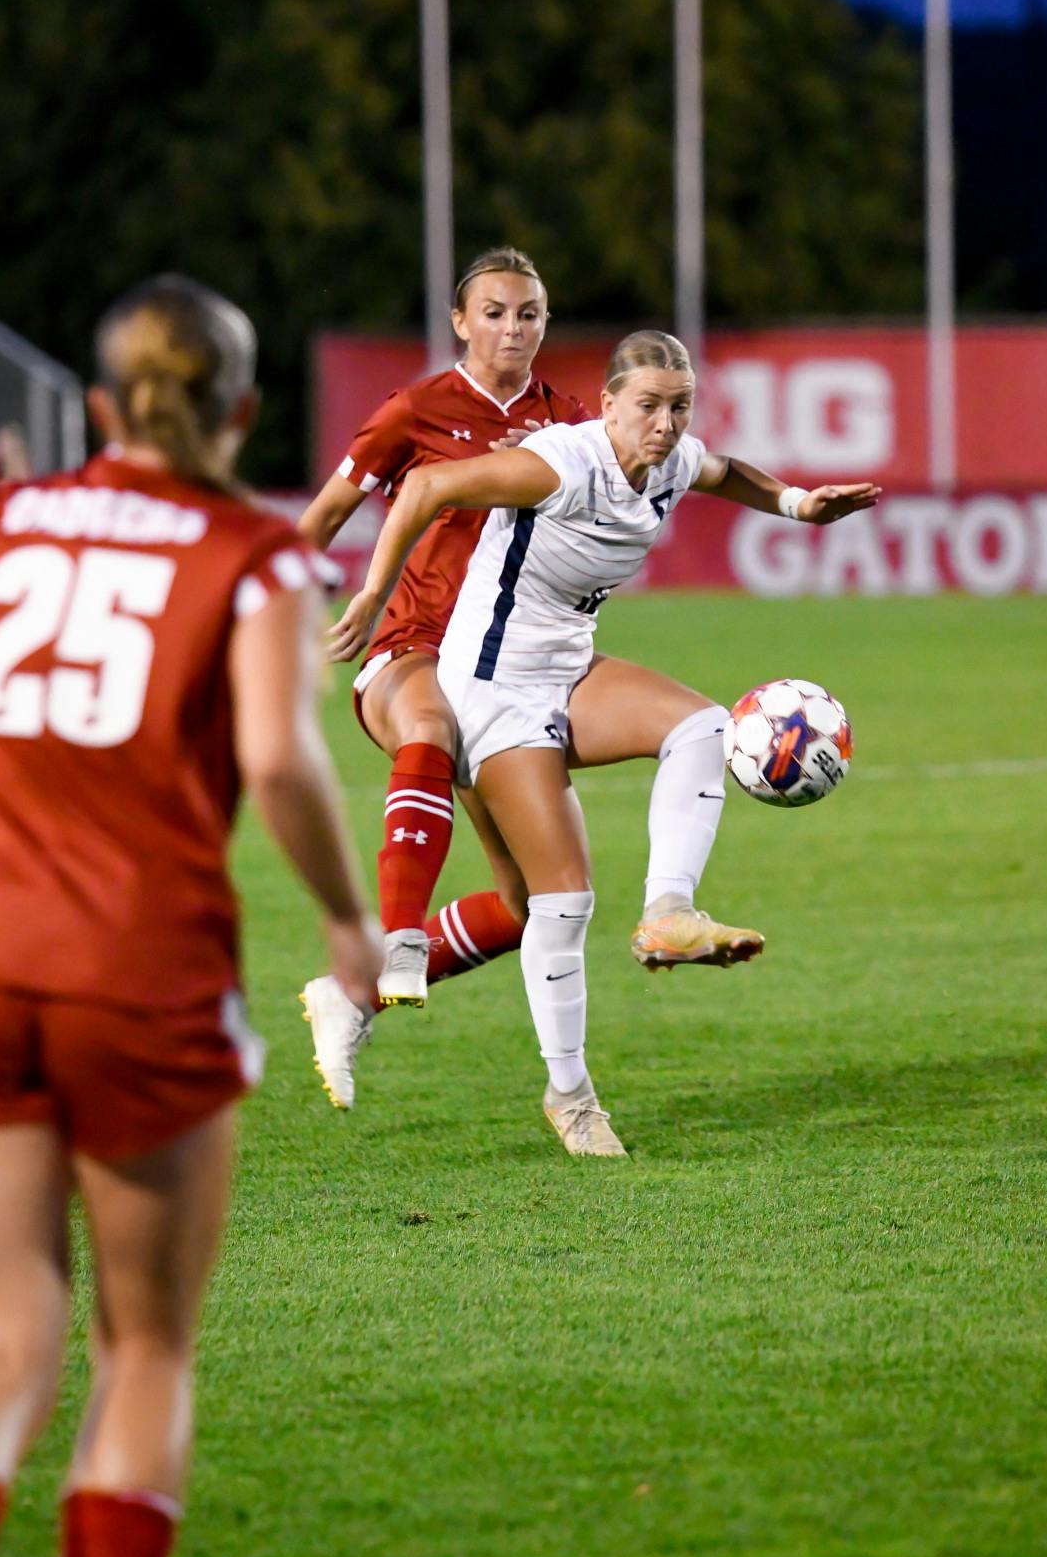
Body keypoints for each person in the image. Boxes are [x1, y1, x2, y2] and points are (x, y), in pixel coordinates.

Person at [0, 276, 382, 1557]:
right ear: (242, 409)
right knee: (141, 1346)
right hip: (134, 982)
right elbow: (278, 760)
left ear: (94, 407)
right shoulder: (254, 556)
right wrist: (345, 919)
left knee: (1, 1338)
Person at [331, 330, 879, 1156]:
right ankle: (571, 1097)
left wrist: (799, 504)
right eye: (648, 406)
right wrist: (373, 592)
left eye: (679, 405)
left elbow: (725, 471)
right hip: (491, 693)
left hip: (568, 668)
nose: (664, 424)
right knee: (560, 903)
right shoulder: (560, 463)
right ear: (612, 403)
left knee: (701, 725)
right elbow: (433, 485)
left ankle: (668, 912)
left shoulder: (669, 459)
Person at [295, 247, 589, 1102]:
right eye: (493, 312)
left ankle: (348, 996)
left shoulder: (567, 424)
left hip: (507, 669)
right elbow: (326, 513)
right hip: (412, 645)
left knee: (527, 903)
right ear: (461, 322)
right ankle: (397, 942)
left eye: (528, 313)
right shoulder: (415, 409)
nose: (512, 328)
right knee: (428, 726)